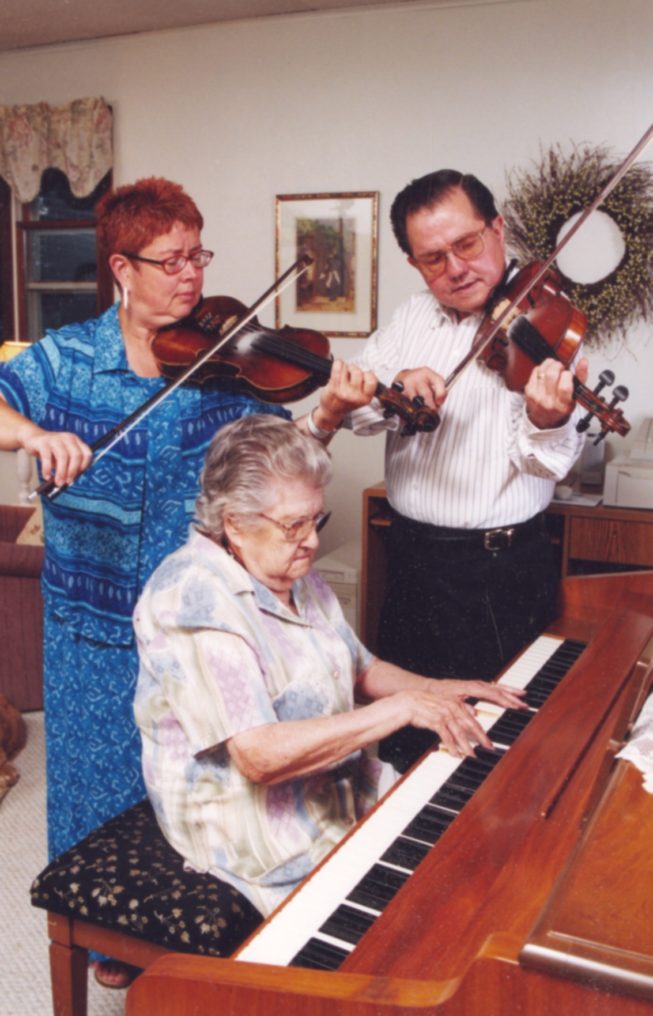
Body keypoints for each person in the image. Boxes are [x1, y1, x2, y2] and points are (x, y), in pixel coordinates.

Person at [0, 177, 371, 987]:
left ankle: (190, 946)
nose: (192, 277)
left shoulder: (221, 365)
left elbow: (278, 456)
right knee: (93, 785)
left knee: (204, 783)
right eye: (171, 261)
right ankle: (104, 940)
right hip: (88, 626)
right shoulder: (64, 359)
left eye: (198, 255)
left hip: (195, 624)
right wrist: (31, 432)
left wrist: (333, 414)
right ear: (122, 268)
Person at [133, 415, 524, 916]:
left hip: (332, 786)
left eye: (315, 519)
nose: (312, 540)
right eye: (293, 524)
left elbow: (358, 667)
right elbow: (258, 756)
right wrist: (399, 710)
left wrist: (438, 689)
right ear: (233, 521)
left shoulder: (292, 572)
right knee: (423, 912)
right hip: (247, 822)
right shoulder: (191, 599)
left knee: (475, 844)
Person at [306, 170, 589, 772]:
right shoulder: (411, 319)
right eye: (434, 259)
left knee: (498, 745)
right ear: (413, 263)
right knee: (410, 734)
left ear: (498, 228)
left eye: (468, 245)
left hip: (501, 569)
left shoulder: (548, 324)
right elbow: (355, 415)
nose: (457, 269)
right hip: (412, 560)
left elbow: (547, 462)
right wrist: (393, 389)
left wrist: (545, 418)